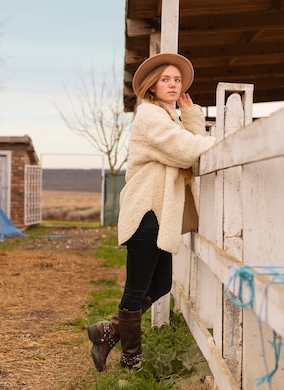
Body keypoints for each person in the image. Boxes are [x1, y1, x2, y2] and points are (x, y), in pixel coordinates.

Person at [87, 52, 216, 372]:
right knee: (137, 288)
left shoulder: (168, 117)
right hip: (147, 212)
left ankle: (109, 332)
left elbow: (192, 152)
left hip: (160, 215)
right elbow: (188, 150)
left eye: (177, 80)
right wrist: (216, 140)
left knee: (160, 285)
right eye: (165, 79)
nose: (173, 84)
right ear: (151, 86)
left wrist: (190, 117)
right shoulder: (149, 117)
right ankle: (131, 359)